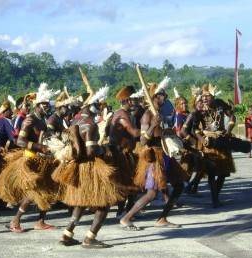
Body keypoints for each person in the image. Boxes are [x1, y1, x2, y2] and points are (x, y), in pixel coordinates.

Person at [56, 93, 126, 248]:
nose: (103, 109)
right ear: (93, 106)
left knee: (81, 202)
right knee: (104, 202)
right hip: (90, 167)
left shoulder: (76, 120)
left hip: (78, 168)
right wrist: (104, 148)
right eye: (101, 106)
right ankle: (90, 238)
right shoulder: (90, 125)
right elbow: (90, 152)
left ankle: (67, 234)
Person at [120, 79, 185, 230]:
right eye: (162, 94)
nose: (165, 97)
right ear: (155, 97)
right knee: (152, 193)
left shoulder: (160, 113)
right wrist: (153, 125)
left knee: (179, 185)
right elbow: (143, 140)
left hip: (165, 155)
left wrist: (168, 132)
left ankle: (162, 218)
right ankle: (126, 218)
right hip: (154, 157)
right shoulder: (147, 116)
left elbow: (160, 133)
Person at [0, 83, 58, 232]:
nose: (47, 107)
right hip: (31, 160)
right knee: (33, 192)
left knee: (48, 189)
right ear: (37, 105)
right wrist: (39, 147)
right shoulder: (30, 120)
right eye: (44, 104)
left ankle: (41, 221)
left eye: (48, 104)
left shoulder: (43, 120)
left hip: (44, 160)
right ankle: (15, 221)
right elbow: (20, 141)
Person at [109, 85, 141, 218]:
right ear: (128, 101)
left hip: (126, 153)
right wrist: (150, 128)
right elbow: (133, 132)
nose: (137, 102)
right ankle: (123, 212)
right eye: (134, 100)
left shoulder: (126, 114)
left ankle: (127, 211)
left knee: (131, 182)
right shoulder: (121, 115)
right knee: (127, 183)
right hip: (120, 154)